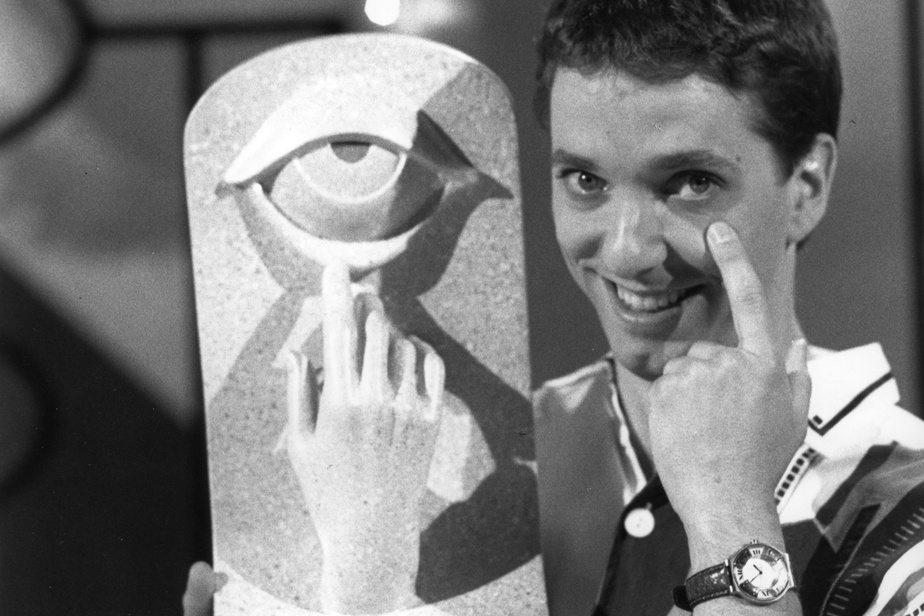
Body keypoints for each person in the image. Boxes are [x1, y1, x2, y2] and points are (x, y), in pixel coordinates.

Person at [185, 1, 924, 615]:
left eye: (691, 183)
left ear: (807, 187)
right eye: (585, 181)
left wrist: (730, 514)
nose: (627, 250)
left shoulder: (903, 503)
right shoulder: (473, 468)